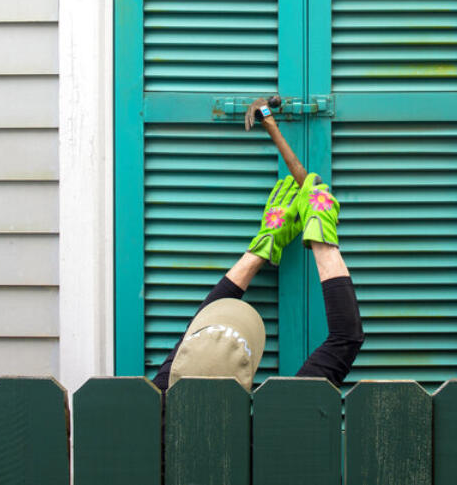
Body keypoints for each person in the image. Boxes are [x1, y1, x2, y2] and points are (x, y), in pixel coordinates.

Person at [152, 96, 365, 392]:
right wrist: (321, 233)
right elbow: (347, 337)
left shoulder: (159, 398)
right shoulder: (276, 418)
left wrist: (265, 244)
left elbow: (198, 337)